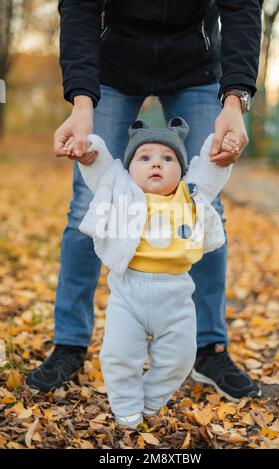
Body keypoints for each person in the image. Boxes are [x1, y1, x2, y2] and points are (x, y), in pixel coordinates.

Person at [26, 0, 263, 401]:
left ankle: (210, 348)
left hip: (197, 68)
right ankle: (69, 343)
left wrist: (235, 100)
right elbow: (80, 10)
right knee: (88, 205)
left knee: (204, 210)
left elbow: (242, 9)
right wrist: (82, 103)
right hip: (114, 68)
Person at [69, 116, 236, 428]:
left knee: (180, 358)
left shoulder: (190, 193)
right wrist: (90, 149)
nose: (156, 164)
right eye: (144, 158)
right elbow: (101, 167)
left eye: (168, 158)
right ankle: (127, 412)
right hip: (128, 292)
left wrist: (222, 142)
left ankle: (149, 403)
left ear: (182, 169)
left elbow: (211, 167)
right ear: (130, 169)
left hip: (176, 295)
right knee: (119, 356)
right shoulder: (121, 191)